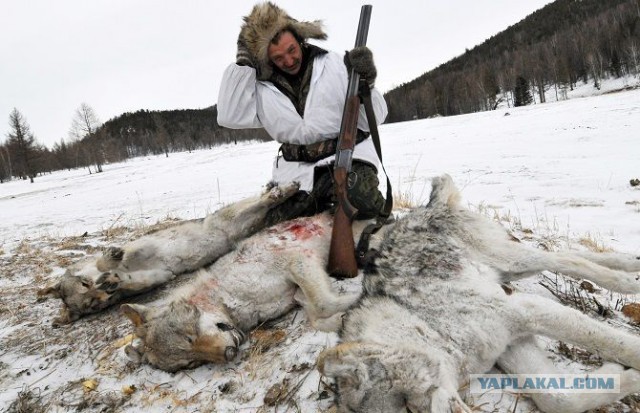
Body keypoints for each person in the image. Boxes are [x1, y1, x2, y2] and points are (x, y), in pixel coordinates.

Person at [217, 1, 388, 226]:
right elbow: (229, 116)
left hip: (347, 160)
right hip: (296, 174)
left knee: (362, 200)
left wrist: (368, 84)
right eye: (277, 57)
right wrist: (242, 65)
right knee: (270, 226)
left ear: (300, 39)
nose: (288, 61)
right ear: (266, 58)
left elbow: (376, 116)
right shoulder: (260, 87)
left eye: (291, 50)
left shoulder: (336, 64)